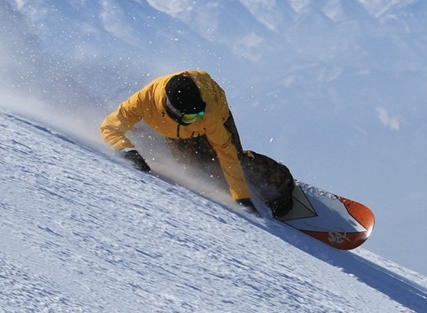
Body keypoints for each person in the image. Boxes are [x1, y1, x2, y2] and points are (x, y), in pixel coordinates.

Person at [100, 70, 294, 217]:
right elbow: (109, 127)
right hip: (176, 134)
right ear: (172, 109)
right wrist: (126, 150)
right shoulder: (143, 101)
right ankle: (228, 179)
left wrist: (241, 197)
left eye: (199, 113)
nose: (197, 118)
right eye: (192, 116)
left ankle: (282, 180)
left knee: (236, 160)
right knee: (195, 167)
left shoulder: (207, 113)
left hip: (219, 118)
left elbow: (226, 151)